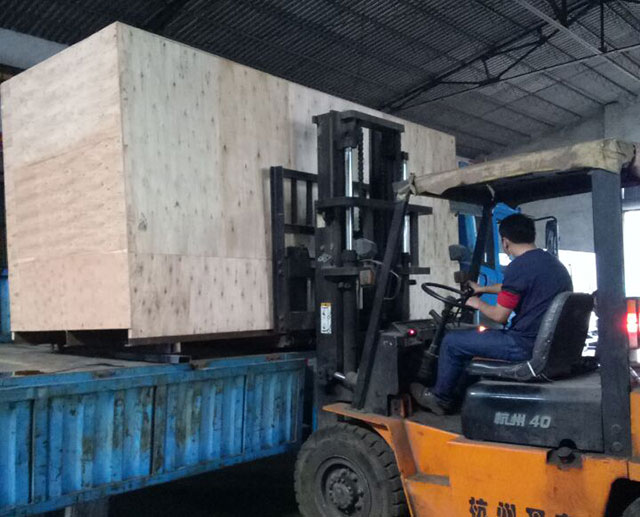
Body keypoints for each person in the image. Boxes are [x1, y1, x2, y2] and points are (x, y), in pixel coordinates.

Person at [411, 213, 573, 415]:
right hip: (546, 344)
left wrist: (477, 303)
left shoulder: (519, 266)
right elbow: (514, 287)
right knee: (471, 339)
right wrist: (482, 289)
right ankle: (459, 394)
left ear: (505, 242)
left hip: (522, 345)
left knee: (452, 342)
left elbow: (499, 316)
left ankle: (439, 398)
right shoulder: (552, 264)